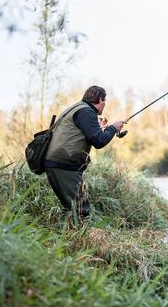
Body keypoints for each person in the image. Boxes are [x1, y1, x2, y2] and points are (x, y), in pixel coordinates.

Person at [44, 85, 125, 217]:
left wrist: (99, 127)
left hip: (57, 162)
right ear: (100, 100)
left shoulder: (78, 108)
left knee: (72, 208)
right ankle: (80, 237)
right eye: (104, 101)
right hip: (63, 164)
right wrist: (114, 128)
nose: (104, 104)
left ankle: (67, 235)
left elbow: (78, 133)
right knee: (82, 210)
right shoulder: (87, 112)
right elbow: (99, 141)